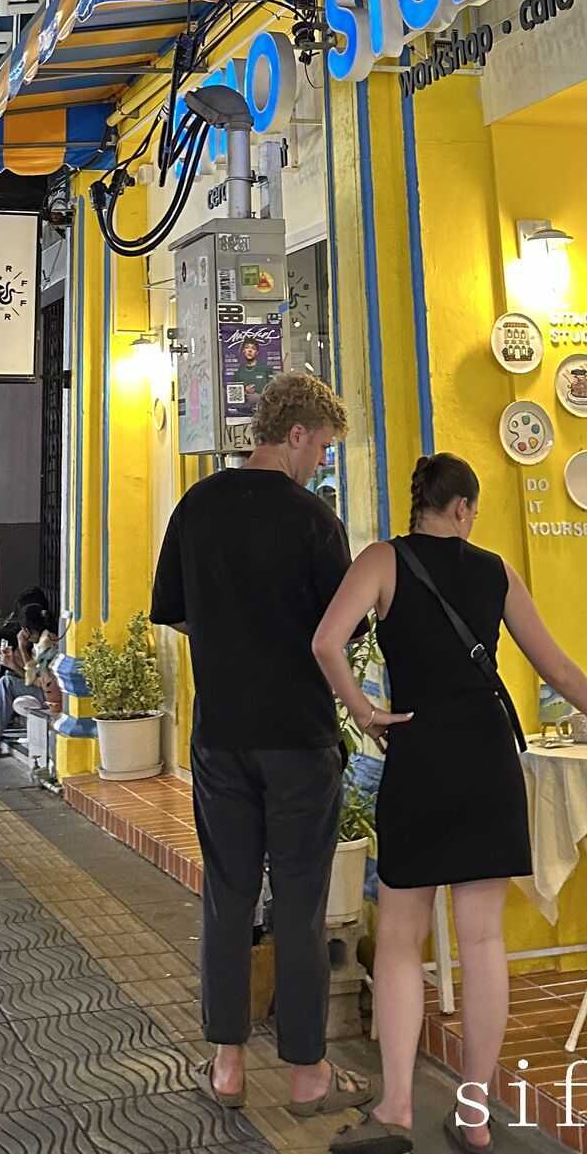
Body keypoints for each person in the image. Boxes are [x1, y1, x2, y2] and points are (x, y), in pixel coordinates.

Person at [313, 454, 587, 1153]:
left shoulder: (382, 560)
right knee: (483, 939)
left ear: (421, 504)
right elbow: (557, 666)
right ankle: (473, 1114)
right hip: (488, 761)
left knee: (401, 939)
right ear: (462, 508)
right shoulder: (496, 571)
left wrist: (365, 712)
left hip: (420, 756)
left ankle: (397, 1107)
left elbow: (326, 643)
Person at [150, 370, 367, 1123]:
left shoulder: (197, 506)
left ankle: (228, 1065)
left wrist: (229, 640)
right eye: (322, 447)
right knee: (300, 903)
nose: (322, 461)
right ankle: (307, 1075)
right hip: (299, 738)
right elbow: (344, 630)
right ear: (296, 434)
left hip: (222, 736)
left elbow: (174, 611)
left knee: (228, 894)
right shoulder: (314, 520)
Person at [0, 593, 57, 760]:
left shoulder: (46, 643)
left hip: (51, 696)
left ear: (26, 630)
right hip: (47, 692)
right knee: (6, 678)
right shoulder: (44, 639)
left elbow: (37, 681)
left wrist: (20, 649)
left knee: (6, 683)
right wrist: (12, 664)